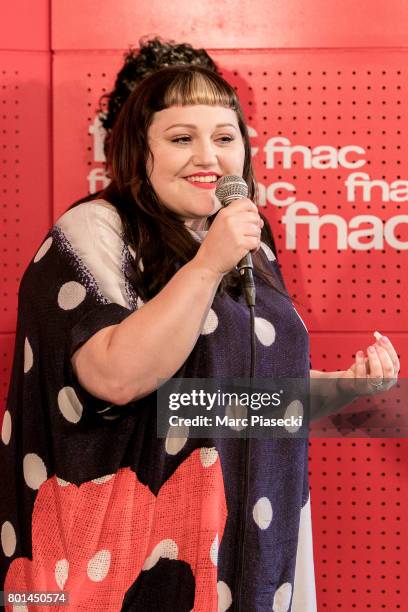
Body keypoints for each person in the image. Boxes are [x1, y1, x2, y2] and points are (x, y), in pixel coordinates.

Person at [0, 66, 400, 612]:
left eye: (224, 137)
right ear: (139, 153)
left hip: (248, 552)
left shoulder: (247, 244)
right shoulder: (96, 230)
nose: (208, 157)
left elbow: (218, 404)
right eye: (182, 138)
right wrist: (208, 265)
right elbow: (116, 378)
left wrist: (341, 388)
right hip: (125, 568)